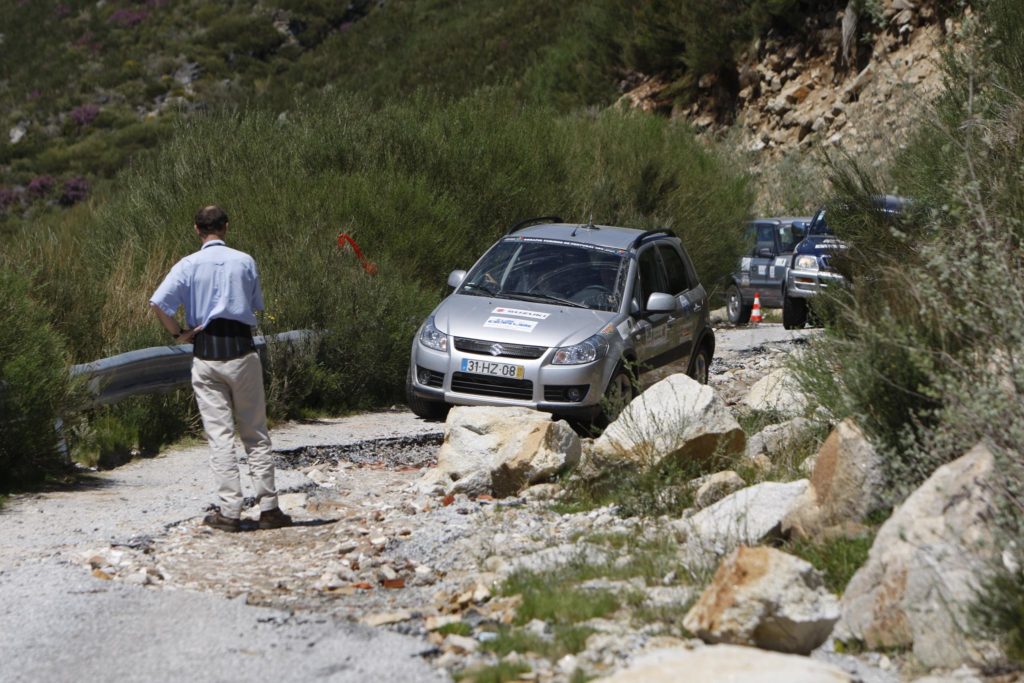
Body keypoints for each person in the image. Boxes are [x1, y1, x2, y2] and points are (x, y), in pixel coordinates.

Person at [149, 205, 291, 532]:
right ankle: (269, 508)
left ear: (197, 230)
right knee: (255, 433)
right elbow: (257, 305)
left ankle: (229, 512)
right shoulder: (245, 261)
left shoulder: (187, 264)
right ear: (226, 227)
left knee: (220, 436)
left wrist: (176, 333)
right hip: (242, 351)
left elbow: (157, 302)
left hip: (206, 354)